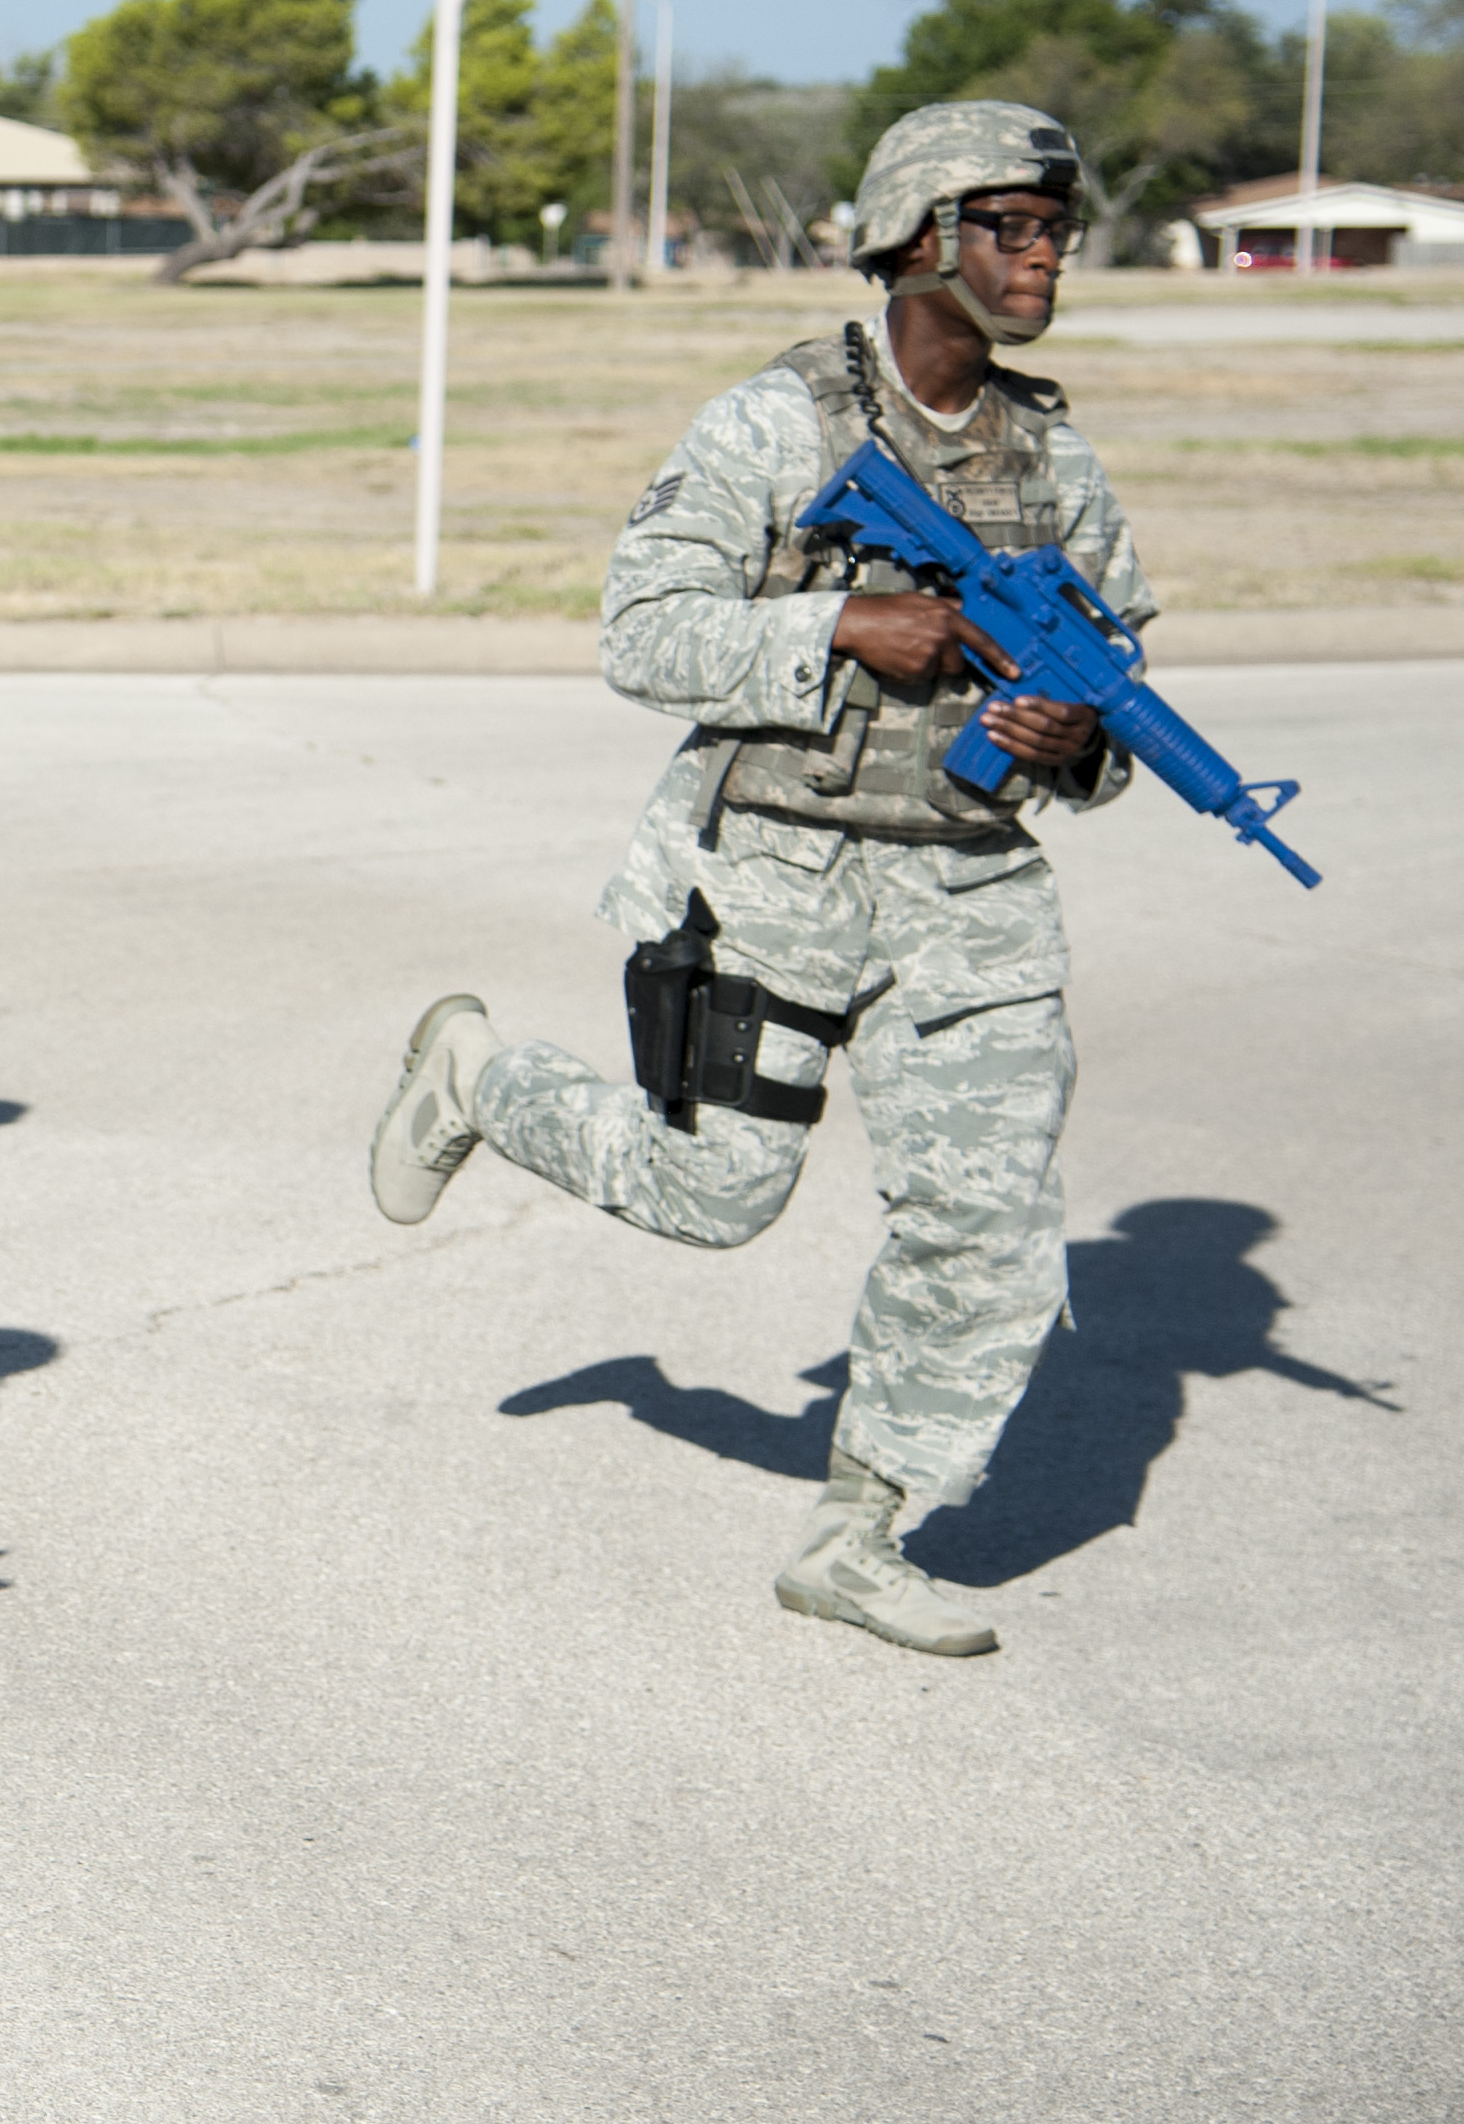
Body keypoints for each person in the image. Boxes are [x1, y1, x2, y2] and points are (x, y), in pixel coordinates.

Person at [368, 101, 1153, 1661]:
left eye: (1055, 224)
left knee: (982, 1225)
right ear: (918, 237)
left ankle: (854, 1535)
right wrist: (835, 631)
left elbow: (1118, 708)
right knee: (712, 1192)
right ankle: (475, 1078)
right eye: (1008, 223)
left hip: (967, 895)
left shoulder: (1052, 457)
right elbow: (639, 636)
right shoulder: (773, 427)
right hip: (767, 869)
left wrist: (1070, 737)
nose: (1041, 250)